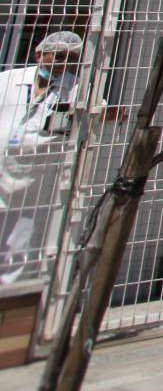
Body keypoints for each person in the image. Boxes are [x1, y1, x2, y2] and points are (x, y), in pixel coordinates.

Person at [0, 32, 83, 284]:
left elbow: (99, 110)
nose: (62, 64)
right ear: (39, 54)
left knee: (18, 249)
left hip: (34, 182)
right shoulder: (7, 80)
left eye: (69, 59)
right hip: (2, 166)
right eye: (57, 57)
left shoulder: (75, 89)